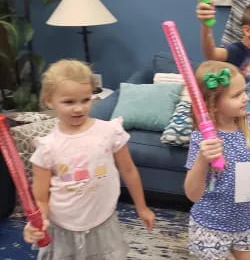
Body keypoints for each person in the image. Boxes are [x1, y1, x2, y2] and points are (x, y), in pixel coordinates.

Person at [23, 59, 155, 259]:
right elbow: (40, 198)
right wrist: (35, 223)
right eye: (69, 102)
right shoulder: (47, 147)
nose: (79, 108)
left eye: (85, 100)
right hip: (62, 226)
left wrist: (142, 207)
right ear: (49, 101)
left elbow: (129, 170)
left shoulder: (110, 132)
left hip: (103, 222)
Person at [184, 60, 250, 260]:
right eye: (236, 95)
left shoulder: (246, 127)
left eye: (245, 91)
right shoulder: (201, 139)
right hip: (210, 228)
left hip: (246, 224)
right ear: (212, 105)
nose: (246, 98)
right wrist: (202, 160)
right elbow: (192, 194)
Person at [197, 0, 250, 119]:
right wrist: (206, 27)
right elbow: (211, 54)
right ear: (247, 30)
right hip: (232, 119)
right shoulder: (236, 50)